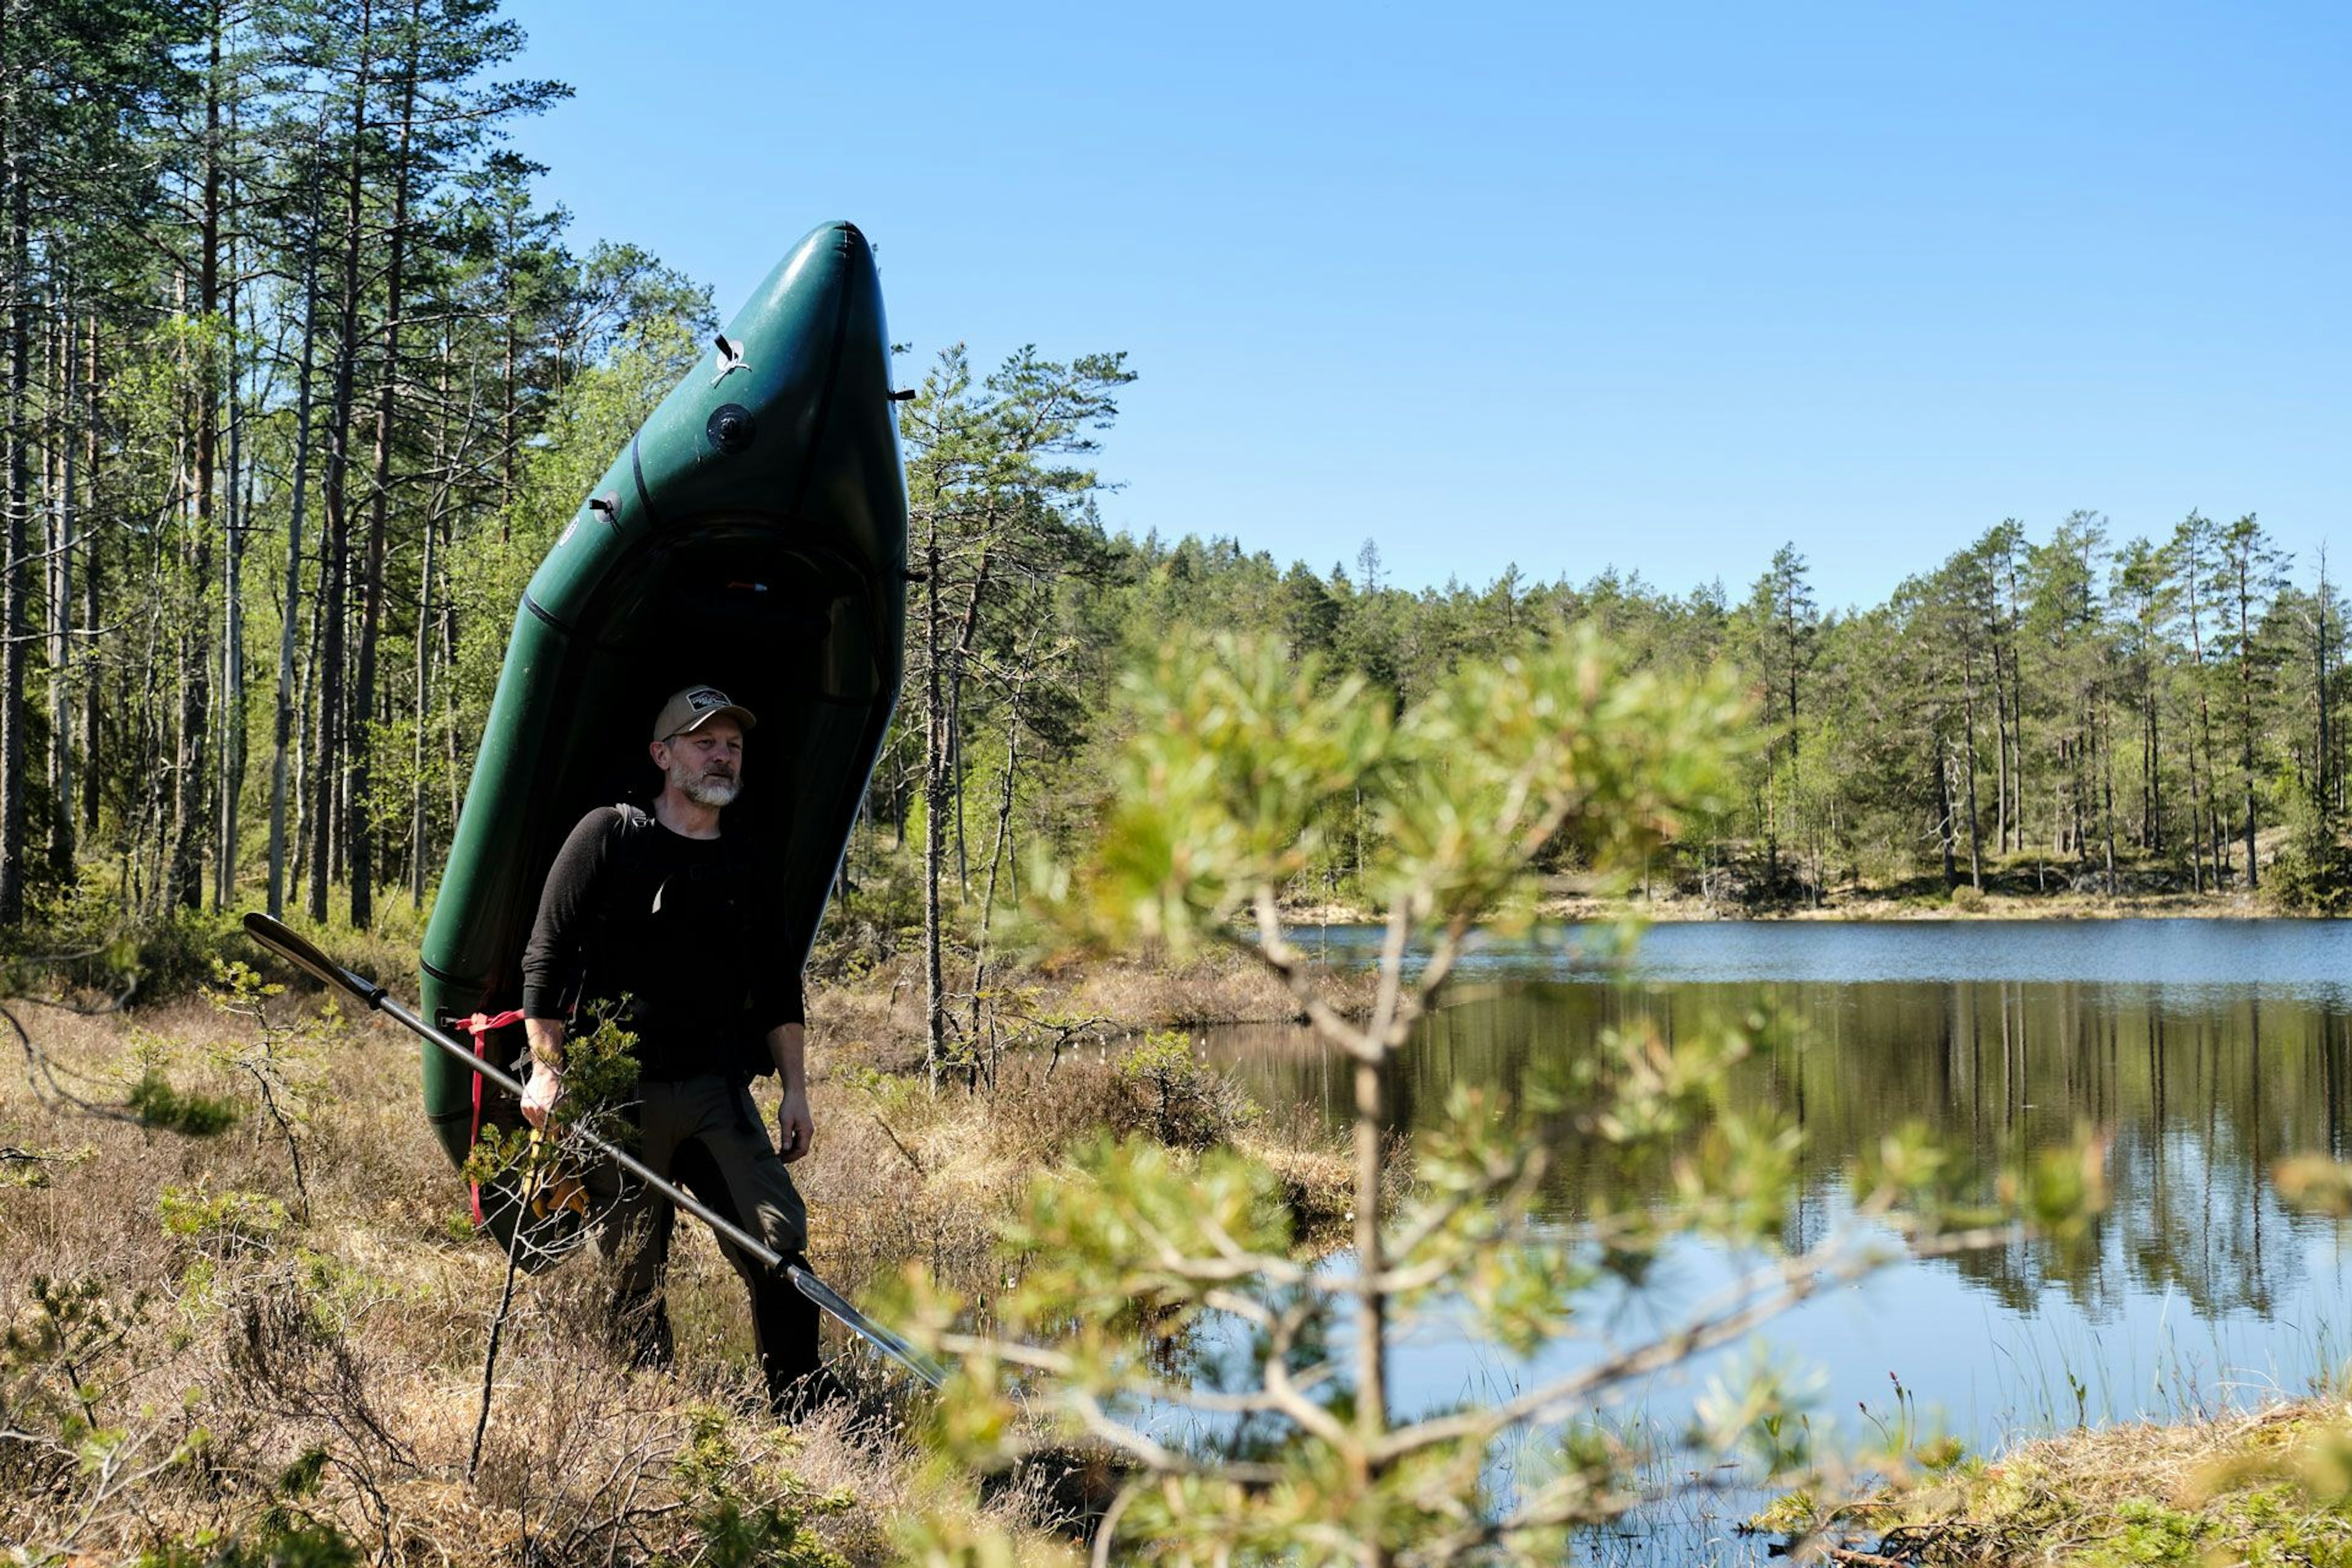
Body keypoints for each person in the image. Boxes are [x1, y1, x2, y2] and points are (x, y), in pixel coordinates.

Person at [517, 683, 823, 1413]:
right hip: (619, 1093)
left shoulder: (748, 859)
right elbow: (547, 959)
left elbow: (779, 985)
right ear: (663, 755)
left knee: (777, 1246)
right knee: (632, 1264)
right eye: (704, 742)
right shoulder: (608, 835)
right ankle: (646, 1419)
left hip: (717, 1090)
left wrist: (796, 1088)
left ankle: (804, 1403)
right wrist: (545, 1071)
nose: (722, 756)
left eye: (733, 745)